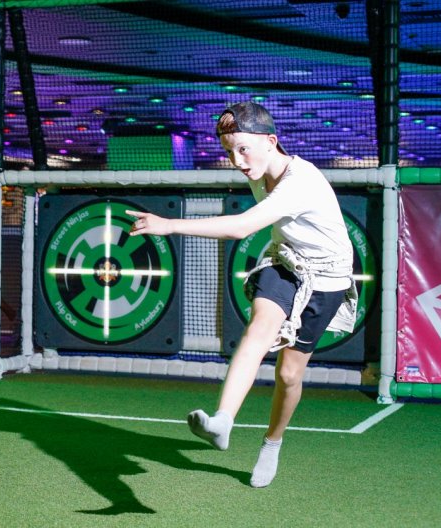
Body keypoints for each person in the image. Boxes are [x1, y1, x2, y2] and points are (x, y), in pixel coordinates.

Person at [127, 101, 357, 488]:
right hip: (285, 262)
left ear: (271, 141)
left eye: (243, 149)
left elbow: (240, 228)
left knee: (289, 373)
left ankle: (272, 443)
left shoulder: (299, 180)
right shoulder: (257, 169)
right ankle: (223, 422)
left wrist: (168, 224)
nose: (236, 160)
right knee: (258, 330)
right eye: (229, 151)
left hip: (326, 279)